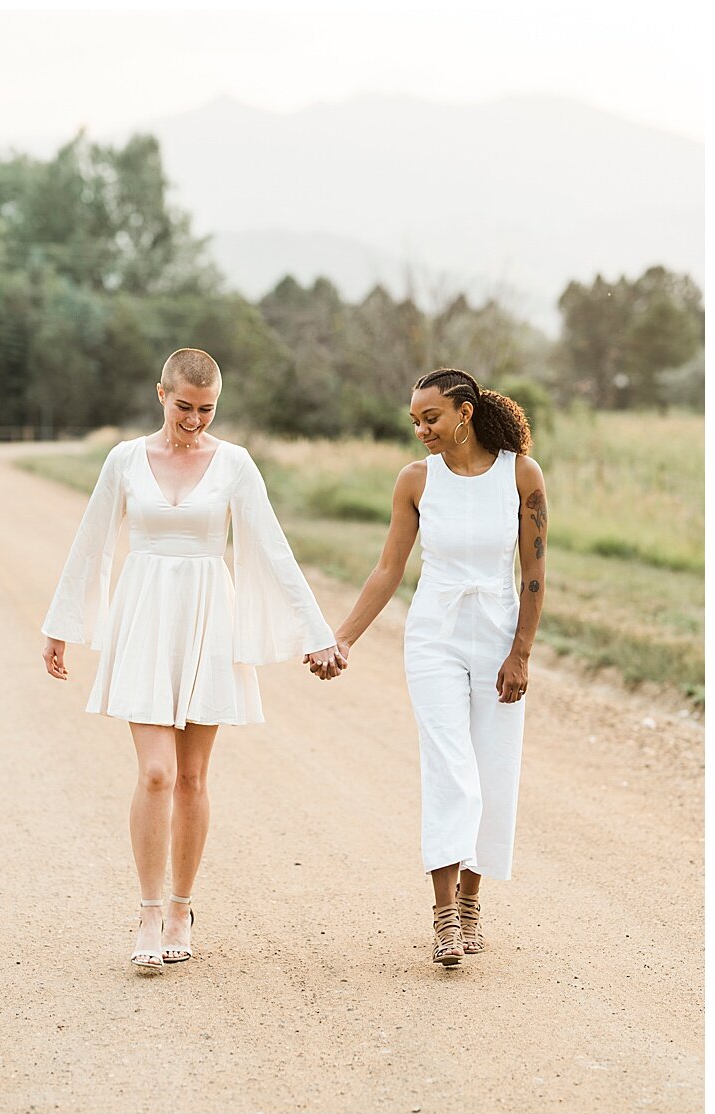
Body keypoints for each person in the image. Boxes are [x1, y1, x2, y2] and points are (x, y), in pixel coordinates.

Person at [42, 348, 341, 972]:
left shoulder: (235, 464)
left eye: (207, 409)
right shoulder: (124, 460)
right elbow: (91, 541)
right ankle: (149, 912)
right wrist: (60, 627)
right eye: (184, 407)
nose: (195, 420)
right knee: (155, 774)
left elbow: (273, 549)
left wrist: (315, 632)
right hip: (145, 615)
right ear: (161, 394)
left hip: (210, 617)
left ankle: (181, 907)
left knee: (193, 778)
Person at [320, 368, 545, 968]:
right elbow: (390, 567)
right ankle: (444, 914)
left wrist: (521, 650)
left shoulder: (520, 474)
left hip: (497, 637)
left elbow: (534, 572)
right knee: (450, 767)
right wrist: (342, 638)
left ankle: (473, 905)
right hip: (434, 638)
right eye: (415, 421)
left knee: (493, 771)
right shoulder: (415, 481)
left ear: (464, 412)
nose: (421, 429)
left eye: (432, 418)